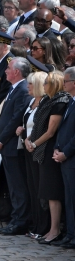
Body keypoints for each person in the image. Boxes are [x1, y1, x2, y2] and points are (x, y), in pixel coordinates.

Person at [26, 70, 70, 243]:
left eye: (47, 83)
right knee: (44, 191)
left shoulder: (60, 102)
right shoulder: (46, 100)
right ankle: (49, 228)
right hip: (39, 147)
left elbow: (50, 131)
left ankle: (54, 230)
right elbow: (37, 124)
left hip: (49, 148)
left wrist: (35, 143)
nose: (44, 86)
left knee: (52, 192)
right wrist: (29, 139)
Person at [0, 57, 31, 236]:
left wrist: (2, 139)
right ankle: (16, 218)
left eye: (8, 68)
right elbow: (4, 116)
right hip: (6, 144)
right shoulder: (14, 88)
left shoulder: (22, 89)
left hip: (13, 145)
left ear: (16, 72)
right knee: (13, 186)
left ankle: (21, 221)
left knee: (18, 185)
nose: (5, 71)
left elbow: (15, 118)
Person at [19, 70, 48, 240]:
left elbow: (42, 127)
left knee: (39, 189)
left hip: (37, 150)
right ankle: (35, 224)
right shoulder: (31, 101)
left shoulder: (44, 103)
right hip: (26, 148)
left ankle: (42, 227)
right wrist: (21, 130)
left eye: (30, 83)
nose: (27, 86)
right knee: (31, 187)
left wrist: (32, 142)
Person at [52, 66, 75, 249]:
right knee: (69, 198)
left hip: (71, 158)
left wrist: (65, 152)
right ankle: (69, 233)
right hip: (64, 157)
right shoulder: (71, 102)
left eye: (66, 81)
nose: (63, 84)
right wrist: (58, 149)